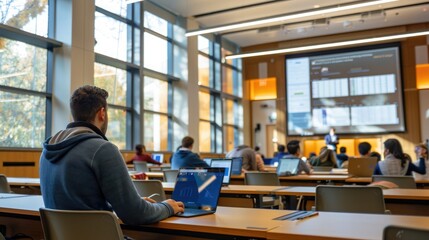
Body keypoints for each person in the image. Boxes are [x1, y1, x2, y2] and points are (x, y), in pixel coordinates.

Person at [39, 85, 183, 225]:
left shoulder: (47, 151)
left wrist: (131, 202)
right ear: (102, 113)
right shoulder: (103, 149)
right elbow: (136, 215)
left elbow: (79, 205)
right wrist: (167, 206)